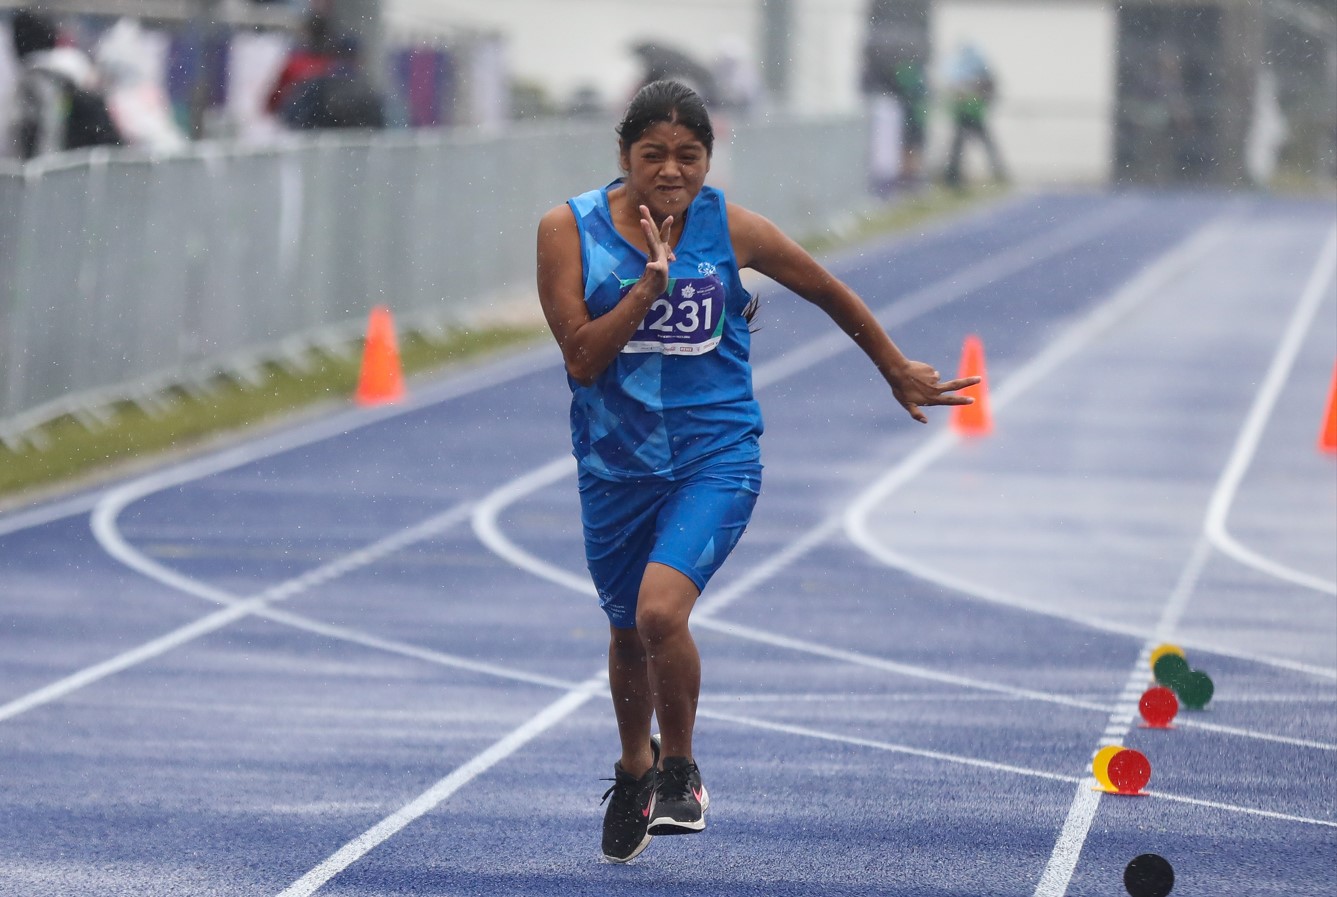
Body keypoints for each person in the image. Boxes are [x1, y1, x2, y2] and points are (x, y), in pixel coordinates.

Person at [535, 79, 979, 864]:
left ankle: (680, 768)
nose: (672, 172)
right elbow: (581, 359)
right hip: (615, 464)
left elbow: (827, 290)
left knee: (659, 615)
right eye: (653, 156)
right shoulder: (566, 230)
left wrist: (892, 367)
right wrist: (647, 288)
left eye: (689, 156)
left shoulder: (730, 227)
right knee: (624, 629)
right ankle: (634, 765)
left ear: (708, 158)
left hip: (716, 454)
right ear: (624, 156)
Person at [10, 8, 120, 159]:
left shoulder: (35, 80)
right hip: (89, 168)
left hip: (57, 170)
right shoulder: (79, 69)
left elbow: (46, 133)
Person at [942, 43, 1006, 188]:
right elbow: (952, 92)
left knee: (985, 146)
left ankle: (998, 173)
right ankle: (952, 176)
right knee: (958, 148)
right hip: (964, 114)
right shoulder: (961, 70)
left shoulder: (979, 71)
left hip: (974, 114)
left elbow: (990, 91)